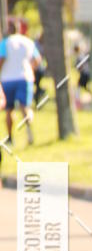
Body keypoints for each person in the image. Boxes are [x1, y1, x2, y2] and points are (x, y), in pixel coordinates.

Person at [0, 18, 41, 151]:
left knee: (8, 110)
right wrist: (30, 69)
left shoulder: (5, 43)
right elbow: (37, 59)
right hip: (25, 77)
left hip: (7, 78)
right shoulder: (28, 42)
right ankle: (29, 131)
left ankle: (10, 137)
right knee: (25, 107)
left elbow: (2, 58)